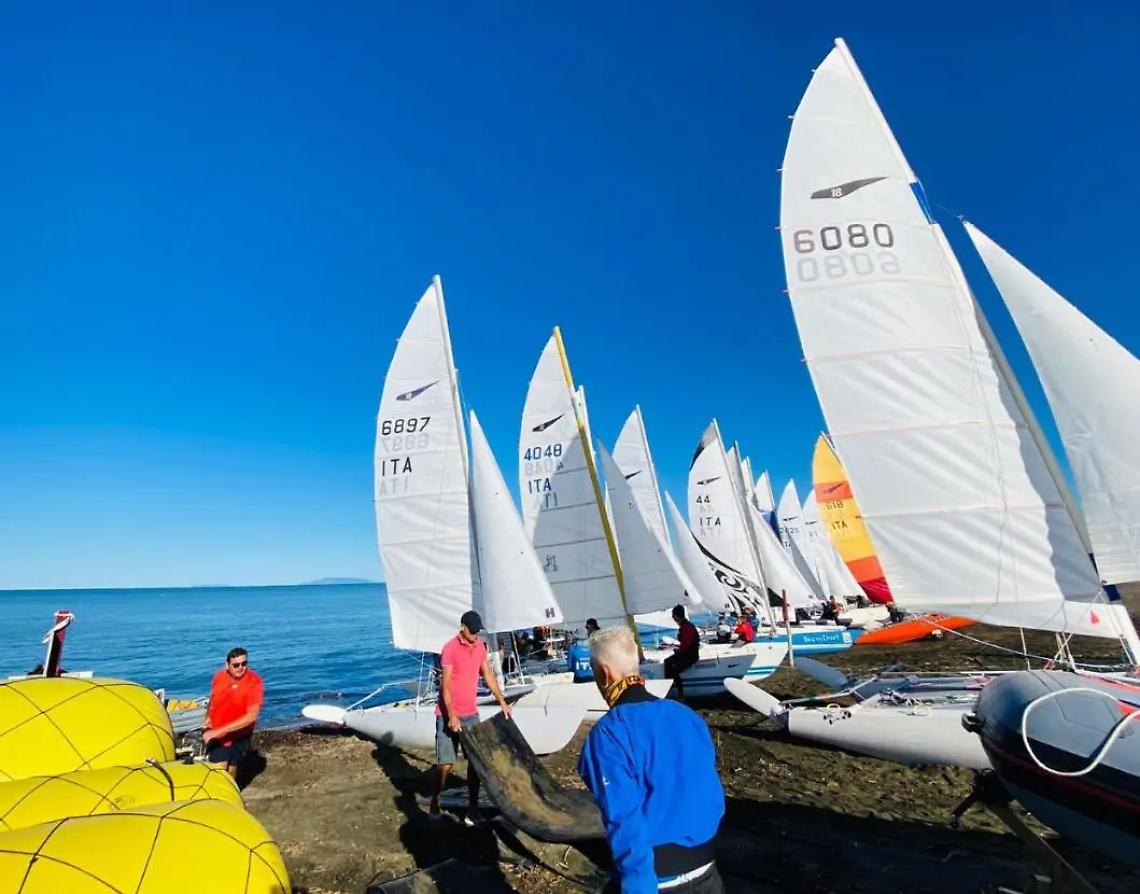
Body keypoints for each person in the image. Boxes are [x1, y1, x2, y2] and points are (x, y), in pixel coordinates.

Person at [579, 626, 725, 893]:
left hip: (658, 880)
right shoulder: (686, 716)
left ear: (604, 672)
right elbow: (709, 790)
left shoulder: (610, 733)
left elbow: (622, 817)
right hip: (707, 871)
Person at [429, 610, 511, 824]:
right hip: (447, 713)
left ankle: (472, 810)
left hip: (471, 713)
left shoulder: (480, 647)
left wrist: (502, 701)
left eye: (478, 631)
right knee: (446, 764)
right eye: (472, 631)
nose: (475, 635)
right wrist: (452, 716)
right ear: (462, 627)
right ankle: (435, 801)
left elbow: (488, 675)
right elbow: (445, 686)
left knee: (475, 763)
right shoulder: (450, 649)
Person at [203, 647, 264, 779]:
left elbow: (251, 716)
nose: (240, 668)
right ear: (227, 665)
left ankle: (232, 792)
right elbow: (213, 699)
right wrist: (207, 718)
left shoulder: (254, 681)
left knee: (232, 767)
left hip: (239, 734)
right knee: (220, 766)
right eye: (236, 665)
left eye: (244, 663)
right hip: (218, 733)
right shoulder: (219, 677)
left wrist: (219, 731)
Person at [664, 604, 700, 700]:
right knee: (667, 662)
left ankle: (680, 693)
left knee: (675, 670)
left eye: (673, 615)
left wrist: (678, 651)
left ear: (677, 615)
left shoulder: (687, 628)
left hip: (691, 656)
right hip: (685, 653)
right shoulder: (683, 626)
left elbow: (686, 646)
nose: (672, 617)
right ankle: (669, 686)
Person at [567, 618, 600, 683]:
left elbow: (569, 667)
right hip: (593, 679)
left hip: (579, 679)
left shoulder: (572, 648)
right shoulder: (594, 646)